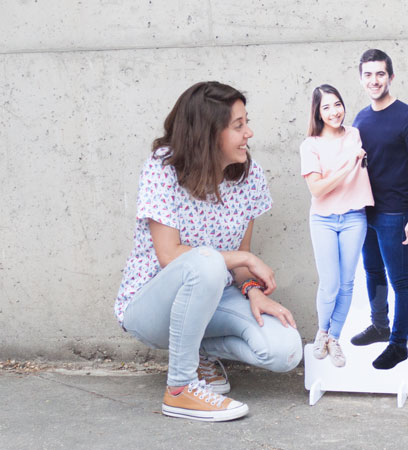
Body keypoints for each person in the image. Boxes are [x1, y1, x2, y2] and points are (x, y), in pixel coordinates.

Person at [114, 81, 302, 422]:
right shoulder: (162, 168)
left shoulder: (249, 176)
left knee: (285, 350)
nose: (249, 133)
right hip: (153, 306)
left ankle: (197, 352)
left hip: (214, 298)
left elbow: (239, 258)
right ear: (209, 133)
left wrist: (252, 290)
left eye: (246, 122)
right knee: (206, 261)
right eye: (238, 126)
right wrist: (244, 259)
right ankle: (180, 389)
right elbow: (170, 255)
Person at [351, 49, 408, 370]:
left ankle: (398, 344)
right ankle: (380, 325)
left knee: (400, 281)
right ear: (361, 79)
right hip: (365, 211)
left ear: (391, 77)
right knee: (372, 271)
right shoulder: (360, 118)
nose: (374, 80)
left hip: (395, 214)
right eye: (368, 75)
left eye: (380, 74)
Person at [300, 84, 374, 367]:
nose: (334, 112)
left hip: (354, 217)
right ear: (318, 113)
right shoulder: (310, 145)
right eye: (326, 107)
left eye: (337, 104)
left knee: (346, 283)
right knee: (329, 284)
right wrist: (347, 168)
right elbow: (317, 189)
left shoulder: (354, 134)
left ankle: (334, 338)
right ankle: (322, 331)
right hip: (324, 219)